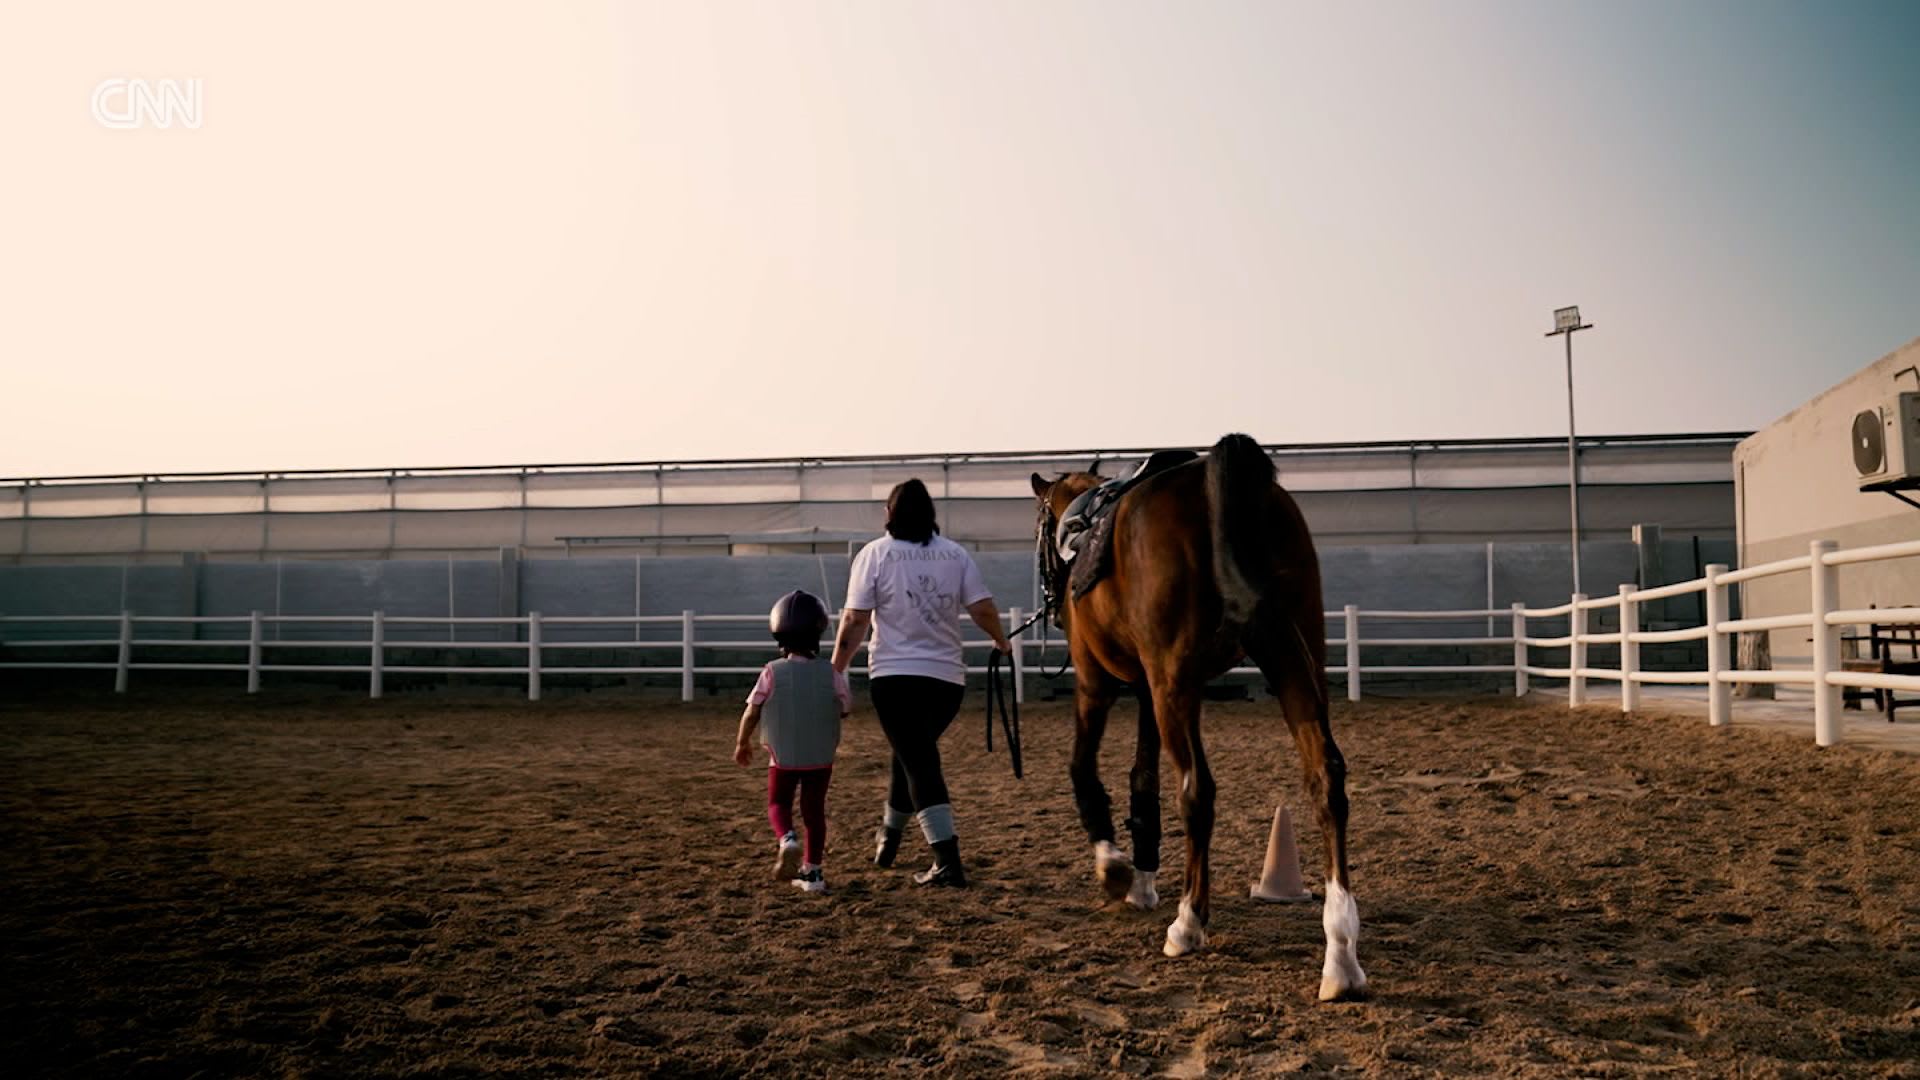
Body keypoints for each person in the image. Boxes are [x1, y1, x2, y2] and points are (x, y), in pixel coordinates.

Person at [831, 478, 1011, 888]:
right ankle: (889, 838)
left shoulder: (874, 555)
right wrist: (1000, 640)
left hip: (894, 678)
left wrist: (837, 667)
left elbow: (856, 619)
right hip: (946, 681)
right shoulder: (955, 554)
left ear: (889, 514)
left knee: (919, 760)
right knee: (911, 754)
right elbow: (981, 607)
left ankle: (947, 858)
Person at [734, 589, 851, 894]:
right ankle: (813, 875)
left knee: (778, 802)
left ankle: (787, 838)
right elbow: (844, 708)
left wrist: (742, 743)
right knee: (814, 813)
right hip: (820, 756)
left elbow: (752, 712)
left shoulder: (771, 672)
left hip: (782, 756)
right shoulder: (832, 673)